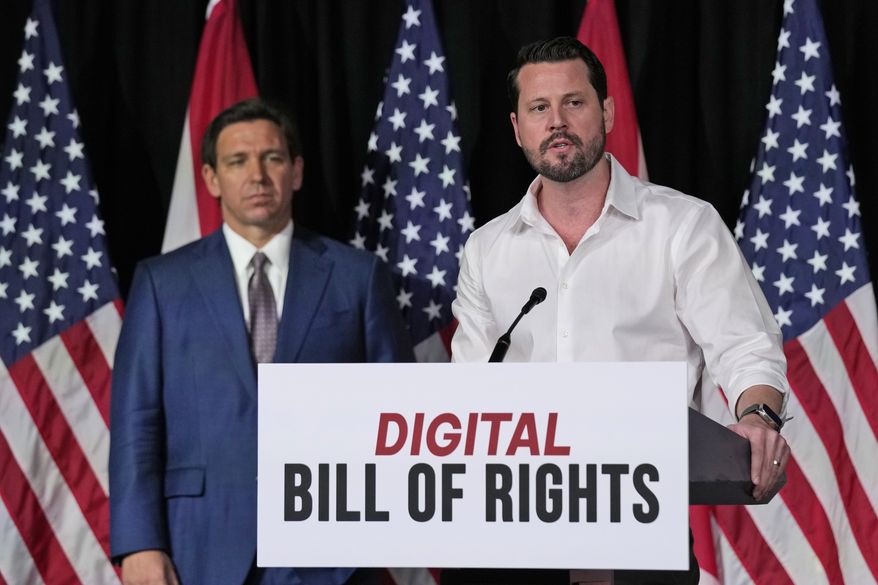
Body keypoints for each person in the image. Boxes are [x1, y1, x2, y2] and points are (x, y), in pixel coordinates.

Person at [451, 37, 791, 584]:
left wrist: (758, 417)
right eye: (539, 108)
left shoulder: (682, 225)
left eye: (575, 102)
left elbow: (745, 347)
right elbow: (468, 390)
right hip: (514, 529)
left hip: (639, 521)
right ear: (517, 128)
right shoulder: (487, 249)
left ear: (606, 111)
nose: (557, 121)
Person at [110, 98, 415, 585]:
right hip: (200, 547)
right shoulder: (160, 283)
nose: (257, 174)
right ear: (211, 178)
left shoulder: (357, 277)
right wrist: (139, 542)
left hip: (332, 552)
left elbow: (400, 410)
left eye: (272, 158)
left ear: (296, 172)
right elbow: (136, 422)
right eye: (237, 161)